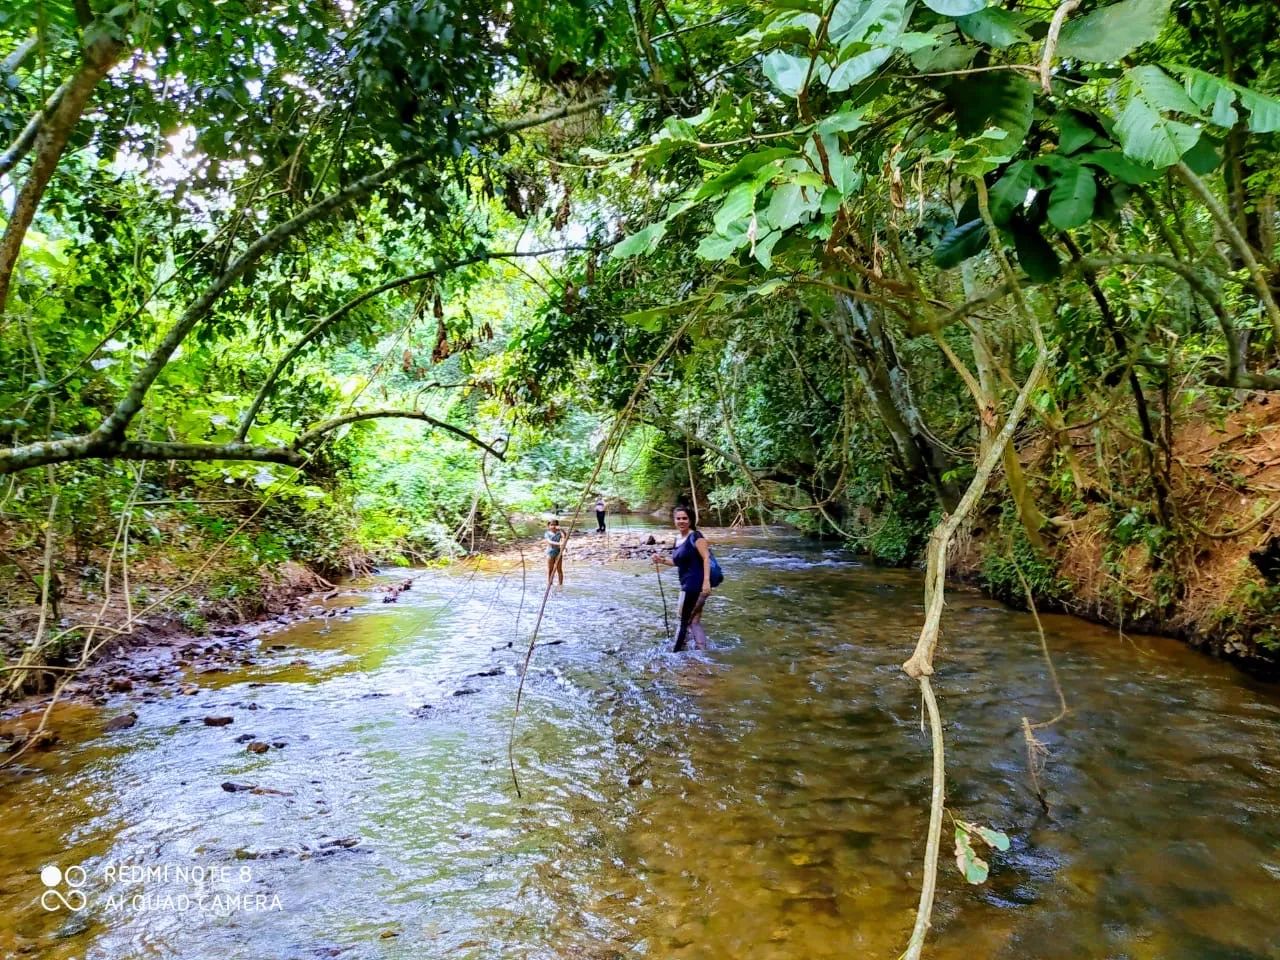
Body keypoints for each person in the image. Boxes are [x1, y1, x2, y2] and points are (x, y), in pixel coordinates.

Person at [651, 507, 711, 651]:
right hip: (686, 583)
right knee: (694, 621)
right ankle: (701, 653)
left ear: (690, 520)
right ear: (674, 520)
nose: (681, 521)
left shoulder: (696, 536)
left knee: (683, 620)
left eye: (685, 518)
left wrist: (706, 582)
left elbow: (706, 558)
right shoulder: (678, 539)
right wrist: (661, 560)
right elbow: (678, 562)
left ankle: (676, 653)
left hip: (694, 585)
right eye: (678, 518)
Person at [544, 518, 567, 587]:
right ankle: (550, 583)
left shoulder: (559, 533)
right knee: (550, 570)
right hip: (550, 553)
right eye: (552, 525)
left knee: (559, 569)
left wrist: (561, 529)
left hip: (558, 552)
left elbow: (565, 536)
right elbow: (549, 542)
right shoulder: (547, 533)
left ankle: (560, 584)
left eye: (555, 525)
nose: (553, 526)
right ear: (548, 526)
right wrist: (560, 544)